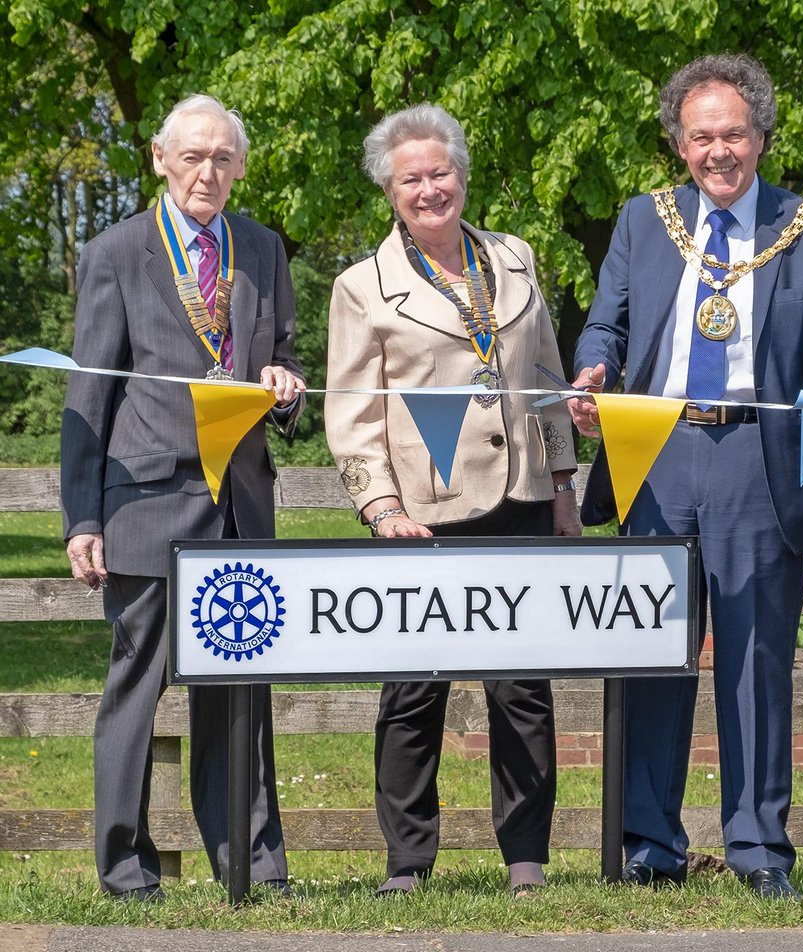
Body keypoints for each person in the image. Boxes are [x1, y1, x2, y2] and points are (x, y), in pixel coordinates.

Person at [569, 54, 803, 901]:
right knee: (652, 653)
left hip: (758, 458)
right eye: (702, 136)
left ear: (761, 137)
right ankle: (649, 845)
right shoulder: (643, 220)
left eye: (734, 134)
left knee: (756, 661)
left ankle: (759, 847)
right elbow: (606, 327)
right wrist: (593, 373)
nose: (719, 151)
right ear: (679, 144)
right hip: (655, 452)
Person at [324, 103, 580, 899]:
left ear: (462, 175)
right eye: (412, 179)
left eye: (440, 172)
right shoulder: (361, 287)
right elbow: (353, 414)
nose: (429, 189)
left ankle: (526, 856)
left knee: (522, 690)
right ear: (389, 191)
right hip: (420, 518)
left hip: (524, 499)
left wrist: (564, 487)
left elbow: (547, 377)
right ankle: (407, 862)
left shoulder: (516, 257)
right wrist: (380, 508)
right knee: (413, 693)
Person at [60, 94, 306, 901]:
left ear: (240, 167)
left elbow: (287, 359)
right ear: (161, 160)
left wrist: (285, 385)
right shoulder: (116, 252)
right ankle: (125, 871)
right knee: (136, 691)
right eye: (193, 156)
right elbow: (89, 394)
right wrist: (83, 517)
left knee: (242, 697)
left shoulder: (263, 248)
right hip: (146, 503)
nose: (208, 172)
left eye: (223, 158)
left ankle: (254, 868)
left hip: (241, 505)